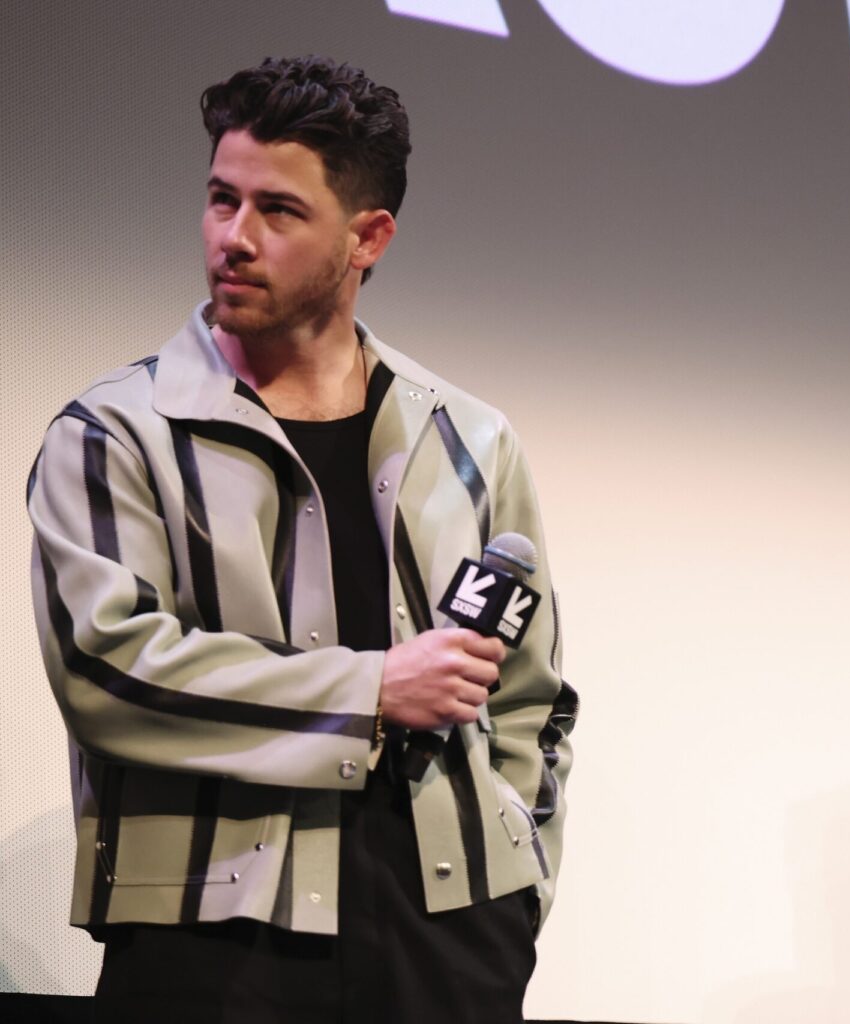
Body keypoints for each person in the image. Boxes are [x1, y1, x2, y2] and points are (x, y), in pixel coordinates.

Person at [27, 56, 576, 1022]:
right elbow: (107, 671)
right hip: (211, 936)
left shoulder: (472, 440)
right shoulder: (115, 430)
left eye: (278, 211)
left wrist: (517, 877)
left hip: (448, 935)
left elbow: (531, 697)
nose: (233, 238)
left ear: (368, 238)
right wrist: (370, 690)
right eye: (219, 199)